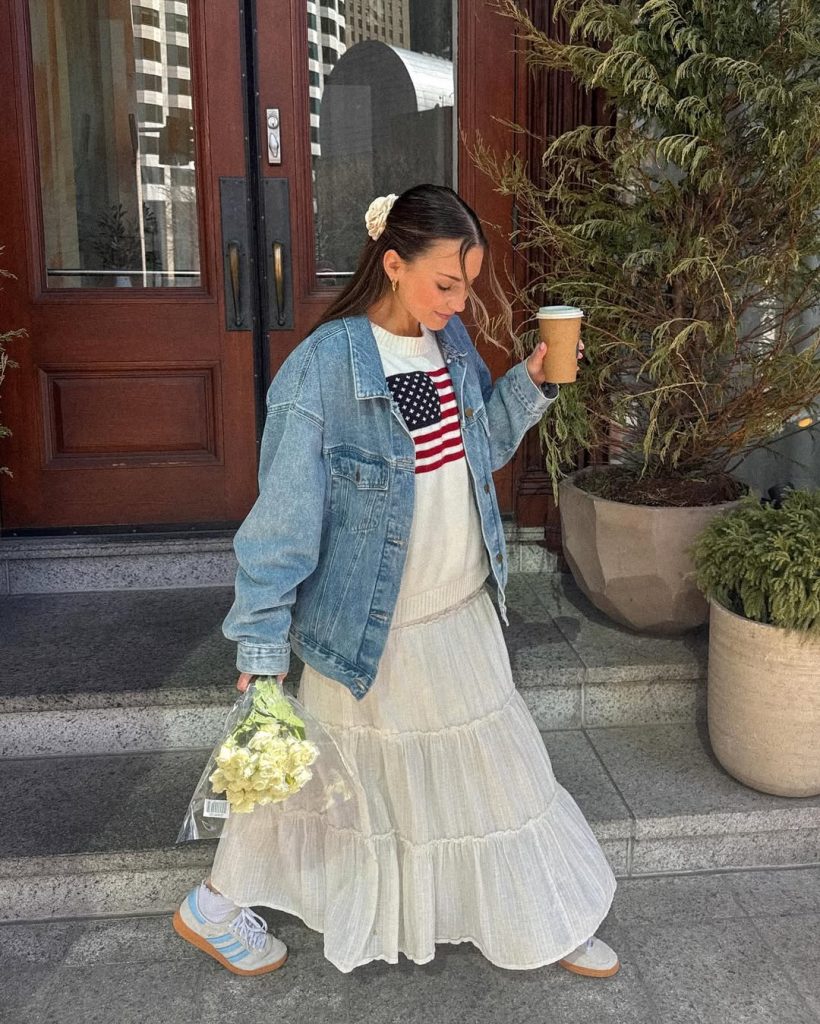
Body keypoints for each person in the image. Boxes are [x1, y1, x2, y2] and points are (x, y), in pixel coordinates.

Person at [173, 184, 618, 977]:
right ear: (392, 264)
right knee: (319, 787)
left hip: (459, 610)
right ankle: (213, 905)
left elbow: (476, 449)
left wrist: (533, 381)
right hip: (368, 631)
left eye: (468, 286)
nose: (459, 303)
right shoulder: (323, 371)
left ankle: (542, 918)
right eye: (445, 283)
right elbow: (282, 526)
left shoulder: (449, 348)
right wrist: (262, 646)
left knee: (498, 772)